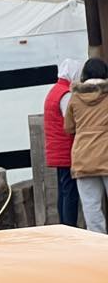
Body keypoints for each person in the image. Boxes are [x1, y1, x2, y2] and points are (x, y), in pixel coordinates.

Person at [66, 56, 108, 235]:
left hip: (83, 157)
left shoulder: (74, 99)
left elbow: (68, 127)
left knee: (91, 206)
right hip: (106, 154)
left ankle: (99, 247)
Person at [44, 58, 81, 227]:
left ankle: (63, 226)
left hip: (57, 149)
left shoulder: (54, 91)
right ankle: (70, 227)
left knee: (63, 190)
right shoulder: (65, 94)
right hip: (66, 148)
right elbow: (70, 121)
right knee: (70, 192)